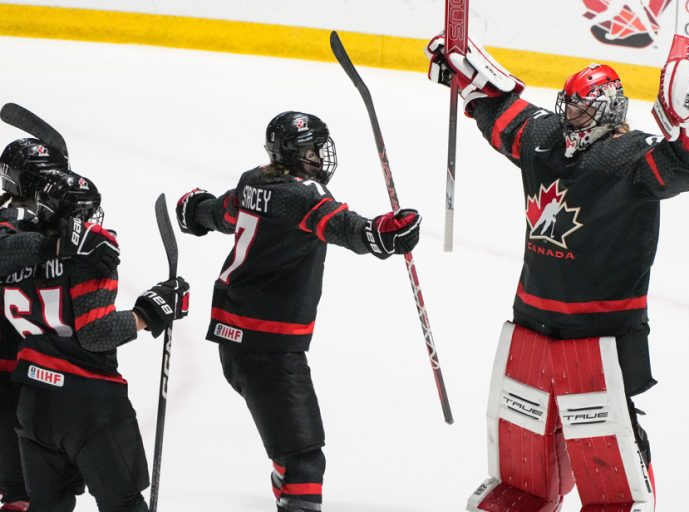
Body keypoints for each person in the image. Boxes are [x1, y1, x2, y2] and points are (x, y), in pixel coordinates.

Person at [425, 34, 689, 512]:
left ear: (606, 111)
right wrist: (466, 81)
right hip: (532, 317)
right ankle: (529, 492)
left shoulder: (631, 159)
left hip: (601, 331)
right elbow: (503, 114)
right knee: (525, 427)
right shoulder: (546, 140)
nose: (569, 117)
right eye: (568, 106)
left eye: (581, 110)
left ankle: (621, 498)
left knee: (606, 434)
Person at [175, 111, 421, 512]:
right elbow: (342, 227)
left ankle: (284, 476)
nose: (320, 158)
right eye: (312, 150)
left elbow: (222, 213)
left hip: (234, 338)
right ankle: (291, 487)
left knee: (289, 447)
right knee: (305, 460)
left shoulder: (253, 179)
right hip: (268, 348)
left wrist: (195, 210)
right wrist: (379, 235)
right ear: (295, 153)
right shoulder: (305, 195)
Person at [1, 169, 189, 512]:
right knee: (124, 506)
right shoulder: (94, 248)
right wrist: (149, 312)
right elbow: (96, 333)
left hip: (33, 401)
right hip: (89, 404)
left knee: (47, 505)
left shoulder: (17, 246)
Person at [0, 138, 120, 512]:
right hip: (26, 373)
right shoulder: (30, 230)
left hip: (28, 371)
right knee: (35, 486)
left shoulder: (20, 220)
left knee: (26, 490)